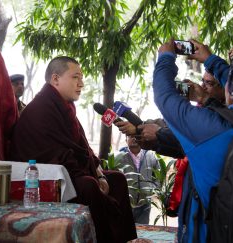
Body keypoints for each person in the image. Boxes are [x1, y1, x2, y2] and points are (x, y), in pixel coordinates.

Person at [152, 38, 233, 243]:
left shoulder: (208, 128)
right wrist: (211, 62)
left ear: (228, 89)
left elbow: (164, 96)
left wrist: (166, 57)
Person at [9, 56, 137, 243]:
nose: (81, 83)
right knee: (88, 185)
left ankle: (124, 239)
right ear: (55, 79)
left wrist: (99, 173)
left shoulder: (65, 107)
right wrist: (94, 178)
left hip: (70, 172)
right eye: (75, 77)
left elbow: (83, 148)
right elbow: (54, 156)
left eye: (82, 78)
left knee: (116, 179)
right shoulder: (41, 109)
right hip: (45, 179)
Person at [116, 135, 160, 224]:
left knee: (143, 232)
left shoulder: (150, 155)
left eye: (136, 136)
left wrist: (153, 188)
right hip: (126, 204)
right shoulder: (119, 157)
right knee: (127, 233)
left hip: (145, 204)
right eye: (130, 136)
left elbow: (158, 174)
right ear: (126, 140)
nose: (134, 138)